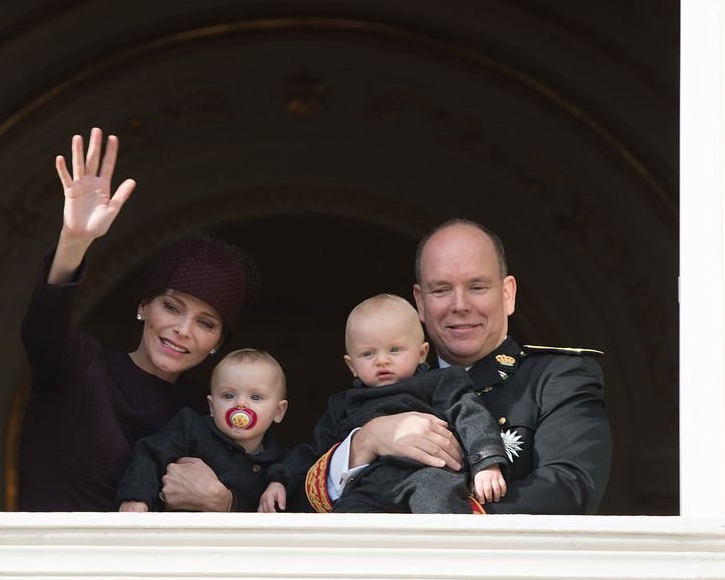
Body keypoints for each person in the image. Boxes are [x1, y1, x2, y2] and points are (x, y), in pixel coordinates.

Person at [19, 126, 261, 512]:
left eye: (206, 322)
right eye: (172, 307)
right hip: (61, 570)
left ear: (218, 341)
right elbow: (42, 329)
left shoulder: (213, 411)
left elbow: (259, 498)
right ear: (144, 306)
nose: (183, 330)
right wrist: (74, 240)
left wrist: (224, 502)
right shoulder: (81, 367)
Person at [304, 219, 612, 514]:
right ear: (420, 303)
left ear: (508, 294)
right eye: (441, 290)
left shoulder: (558, 377)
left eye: (477, 287)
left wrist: (438, 513)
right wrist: (365, 443)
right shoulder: (374, 383)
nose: (460, 305)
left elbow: (570, 490)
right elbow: (285, 501)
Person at [259, 294, 506, 514]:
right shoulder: (344, 404)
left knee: (438, 496)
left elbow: (471, 417)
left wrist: (487, 463)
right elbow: (313, 452)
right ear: (351, 365)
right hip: (368, 486)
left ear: (421, 353)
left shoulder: (440, 383)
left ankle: (449, 561)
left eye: (395, 349)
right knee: (343, 521)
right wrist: (280, 480)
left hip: (428, 475)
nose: (382, 360)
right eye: (368, 354)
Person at [117, 348, 289, 512]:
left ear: (278, 411)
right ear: (212, 406)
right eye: (228, 395)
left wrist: (277, 483)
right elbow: (150, 455)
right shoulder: (190, 428)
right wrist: (136, 497)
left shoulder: (281, 463)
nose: (240, 404)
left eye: (256, 397)